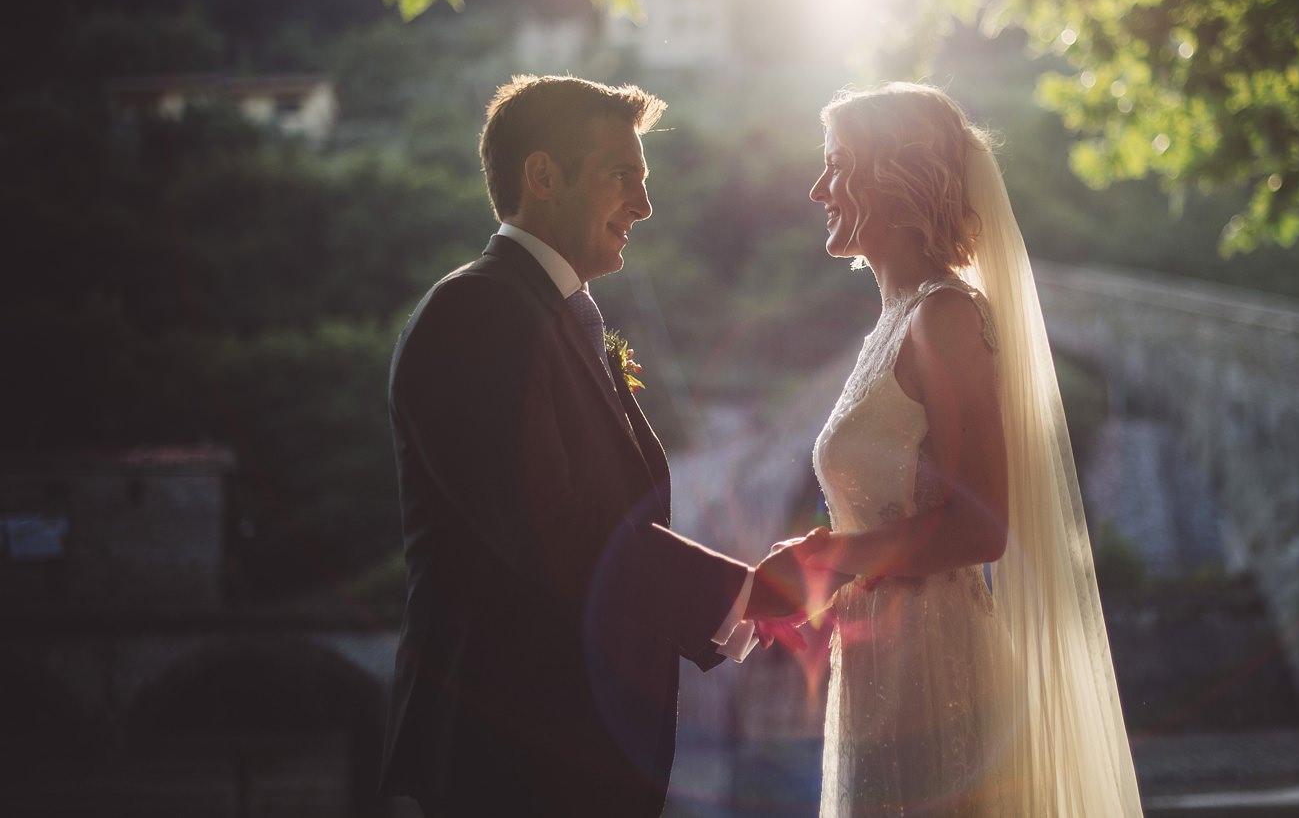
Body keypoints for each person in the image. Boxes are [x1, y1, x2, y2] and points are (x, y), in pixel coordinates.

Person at [380, 75, 815, 817]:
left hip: (568, 756)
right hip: (505, 759)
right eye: (624, 178)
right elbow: (550, 529)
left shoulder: (553, 314)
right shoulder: (477, 310)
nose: (644, 206)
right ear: (543, 176)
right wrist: (742, 592)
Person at [797, 83, 1144, 817]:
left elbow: (981, 526)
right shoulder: (890, 324)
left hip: (936, 667)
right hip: (878, 668)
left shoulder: (945, 315)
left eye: (836, 164)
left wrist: (827, 556)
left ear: (893, 175)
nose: (817, 186)